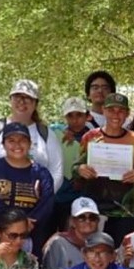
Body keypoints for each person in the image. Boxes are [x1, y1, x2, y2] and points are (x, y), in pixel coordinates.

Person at [74, 92, 134, 242]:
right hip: (93, 210)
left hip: (124, 211)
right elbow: (76, 168)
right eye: (111, 110)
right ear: (103, 110)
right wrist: (80, 169)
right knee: (93, 251)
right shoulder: (90, 137)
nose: (116, 115)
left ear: (127, 113)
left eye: (121, 111)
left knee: (118, 254)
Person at [0, 122, 55, 253]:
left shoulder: (41, 173)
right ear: (3, 144)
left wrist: (25, 226)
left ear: (30, 144)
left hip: (29, 237)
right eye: (11, 140)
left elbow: (47, 203)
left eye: (22, 140)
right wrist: (16, 222)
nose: (17, 145)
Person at [0, 79, 64, 193]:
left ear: (35, 103)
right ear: (10, 100)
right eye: (17, 97)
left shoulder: (46, 134)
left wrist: (43, 195)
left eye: (27, 98)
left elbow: (57, 171)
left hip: (36, 205)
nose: (22, 102)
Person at [50, 96, 95, 231]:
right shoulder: (55, 132)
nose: (75, 120)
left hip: (81, 196)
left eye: (79, 115)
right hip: (58, 194)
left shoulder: (95, 137)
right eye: (70, 115)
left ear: (87, 116)